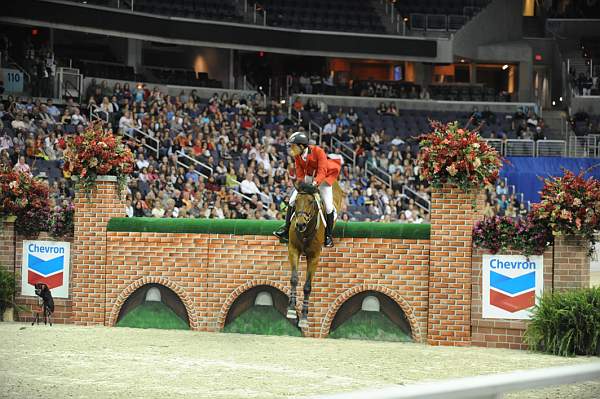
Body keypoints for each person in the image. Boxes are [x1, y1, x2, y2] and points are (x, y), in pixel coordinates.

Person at [273, 132, 341, 247]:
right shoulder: (297, 155)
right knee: (292, 200)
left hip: (323, 179)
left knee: (329, 207)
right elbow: (299, 172)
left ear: (302, 145)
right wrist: (300, 184)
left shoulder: (318, 151)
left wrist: (315, 183)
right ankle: (286, 229)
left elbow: (322, 170)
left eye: (293, 145)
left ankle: (328, 235)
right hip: (309, 178)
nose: (292, 148)